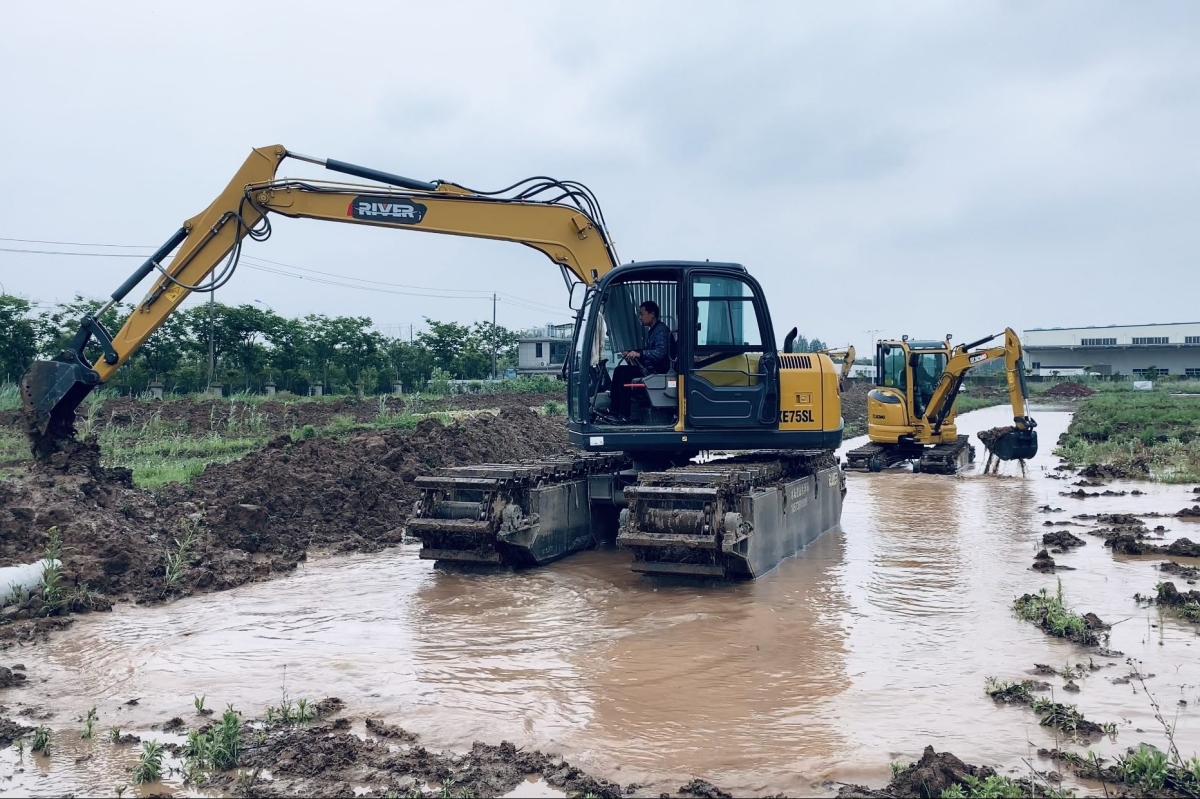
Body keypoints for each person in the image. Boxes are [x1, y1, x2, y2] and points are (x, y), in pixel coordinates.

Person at [609, 300, 671, 421]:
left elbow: (660, 353)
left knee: (625, 376)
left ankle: (624, 415)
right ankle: (614, 410)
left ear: (652, 314)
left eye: (642, 314)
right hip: (650, 367)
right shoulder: (652, 330)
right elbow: (649, 350)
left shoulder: (661, 331)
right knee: (618, 370)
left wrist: (639, 354)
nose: (640, 317)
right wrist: (634, 351)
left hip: (657, 371)